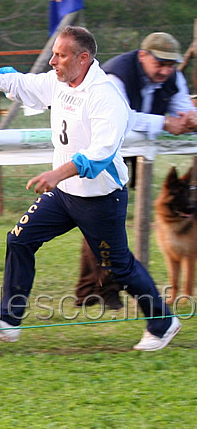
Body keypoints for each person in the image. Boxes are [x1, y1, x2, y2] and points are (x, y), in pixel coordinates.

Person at [0, 26, 181, 351]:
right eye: (54, 54)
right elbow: (18, 82)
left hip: (100, 198)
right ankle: (8, 319)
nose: (53, 62)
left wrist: (56, 174)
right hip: (64, 194)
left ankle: (163, 323)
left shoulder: (105, 96)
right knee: (19, 239)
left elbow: (99, 154)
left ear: (83, 58)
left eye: (60, 55)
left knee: (119, 266)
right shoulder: (58, 82)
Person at [75, 32, 197, 307]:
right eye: (160, 65)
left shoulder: (173, 77)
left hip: (132, 149)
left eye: (171, 65)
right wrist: (165, 123)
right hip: (97, 147)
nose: (166, 71)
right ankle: (98, 290)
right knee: (100, 216)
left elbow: (182, 109)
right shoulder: (116, 76)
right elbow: (123, 116)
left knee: (103, 219)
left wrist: (190, 118)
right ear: (143, 56)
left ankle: (93, 290)